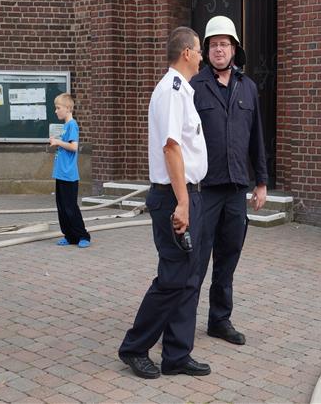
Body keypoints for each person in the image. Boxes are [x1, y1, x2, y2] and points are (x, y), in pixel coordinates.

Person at [118, 26, 211, 379]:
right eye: (199, 50)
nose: (201, 56)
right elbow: (171, 147)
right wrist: (183, 202)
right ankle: (134, 347)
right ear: (186, 52)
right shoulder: (171, 91)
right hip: (175, 195)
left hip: (188, 194)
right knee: (173, 277)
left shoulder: (182, 90)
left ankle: (177, 354)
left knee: (188, 277)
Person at [190, 16, 268, 345]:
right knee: (195, 260)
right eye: (213, 44)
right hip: (205, 189)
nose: (219, 49)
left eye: (224, 44)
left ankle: (219, 320)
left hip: (236, 188)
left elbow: (256, 138)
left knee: (228, 257)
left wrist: (261, 182)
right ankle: (180, 325)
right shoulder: (194, 86)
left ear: (234, 49)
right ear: (206, 51)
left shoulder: (247, 87)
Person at [50, 93, 91, 248]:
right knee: (61, 207)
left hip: (69, 175)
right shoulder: (65, 126)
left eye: (58, 108)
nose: (56, 111)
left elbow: (74, 147)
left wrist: (58, 142)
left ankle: (83, 236)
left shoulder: (72, 125)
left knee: (70, 207)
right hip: (60, 173)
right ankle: (69, 236)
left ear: (68, 108)